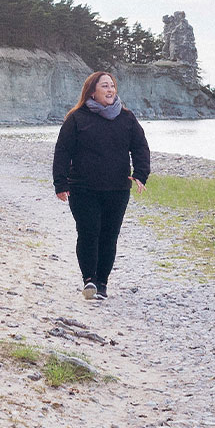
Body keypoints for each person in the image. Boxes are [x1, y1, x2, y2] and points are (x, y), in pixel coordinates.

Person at [52, 71, 149, 300]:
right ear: (92, 90)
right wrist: (60, 183)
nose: (110, 90)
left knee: (109, 236)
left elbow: (140, 147)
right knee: (88, 233)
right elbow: (62, 151)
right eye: (104, 86)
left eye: (112, 86)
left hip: (117, 189)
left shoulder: (127, 118)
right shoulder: (76, 118)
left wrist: (141, 175)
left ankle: (102, 283)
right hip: (83, 189)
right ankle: (89, 280)